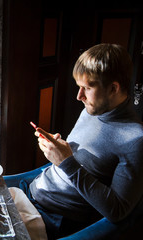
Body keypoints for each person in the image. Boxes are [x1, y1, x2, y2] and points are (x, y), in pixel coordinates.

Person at [19, 43, 143, 239]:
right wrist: (58, 148)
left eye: (87, 88)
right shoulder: (91, 109)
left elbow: (118, 211)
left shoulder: (135, 139)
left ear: (114, 88)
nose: (79, 96)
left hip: (52, 218)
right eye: (79, 87)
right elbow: (79, 161)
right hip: (30, 191)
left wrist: (65, 161)